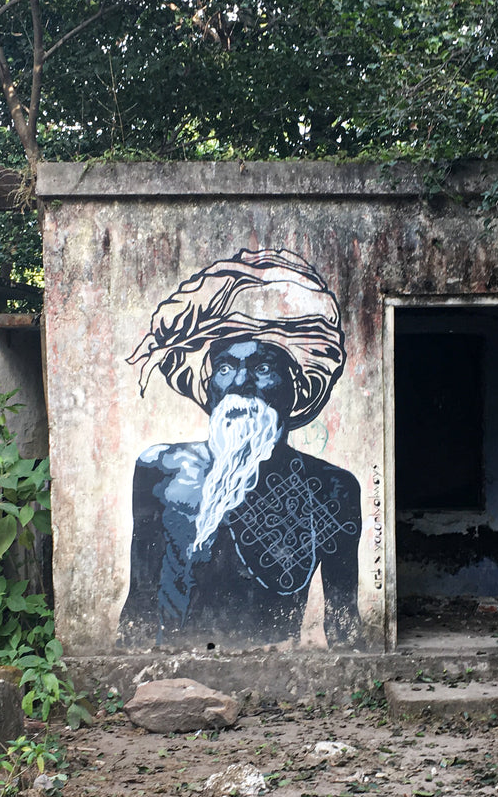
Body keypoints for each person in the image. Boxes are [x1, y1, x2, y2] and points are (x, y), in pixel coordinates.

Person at [118, 248, 361, 649]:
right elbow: (140, 601)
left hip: (277, 670)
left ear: (297, 387)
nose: (239, 382)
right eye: (225, 368)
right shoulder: (160, 468)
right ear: (210, 385)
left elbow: (343, 619)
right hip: (173, 669)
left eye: (262, 368)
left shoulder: (332, 488)